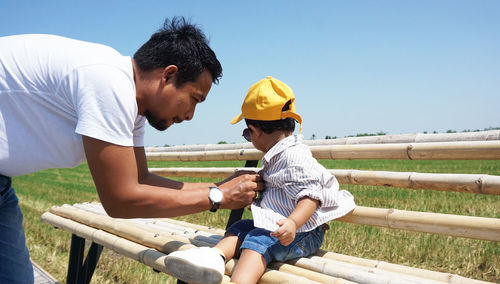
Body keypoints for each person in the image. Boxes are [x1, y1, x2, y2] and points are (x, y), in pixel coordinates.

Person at [0, 17, 263, 284]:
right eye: (194, 99)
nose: (190, 115)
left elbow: (141, 179)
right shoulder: (108, 82)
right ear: (168, 75)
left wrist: (217, 187)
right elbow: (119, 199)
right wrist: (217, 196)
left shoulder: (130, 101)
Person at [164, 76, 356, 284]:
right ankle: (213, 257)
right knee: (242, 228)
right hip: (284, 226)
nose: (249, 137)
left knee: (257, 241)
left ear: (255, 131)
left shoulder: (294, 157)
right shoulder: (278, 155)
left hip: (303, 232)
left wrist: (292, 223)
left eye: (247, 133)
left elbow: (311, 196)